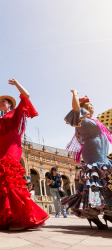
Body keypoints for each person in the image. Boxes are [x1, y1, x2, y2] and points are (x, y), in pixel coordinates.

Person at [0, 79, 49, 230]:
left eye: (4, 102)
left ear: (10, 104)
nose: (1, 104)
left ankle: (19, 217)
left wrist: (17, 84)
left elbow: (27, 95)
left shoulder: (16, 113)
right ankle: (7, 217)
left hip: (12, 147)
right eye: (0, 103)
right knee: (2, 183)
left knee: (10, 177)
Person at [61, 90, 112, 230]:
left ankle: (108, 212)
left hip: (103, 157)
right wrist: (75, 95)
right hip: (93, 154)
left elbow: (109, 130)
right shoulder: (81, 120)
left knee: (106, 184)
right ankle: (92, 214)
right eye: (88, 108)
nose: (91, 110)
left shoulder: (97, 123)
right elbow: (76, 108)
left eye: (91, 108)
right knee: (94, 184)